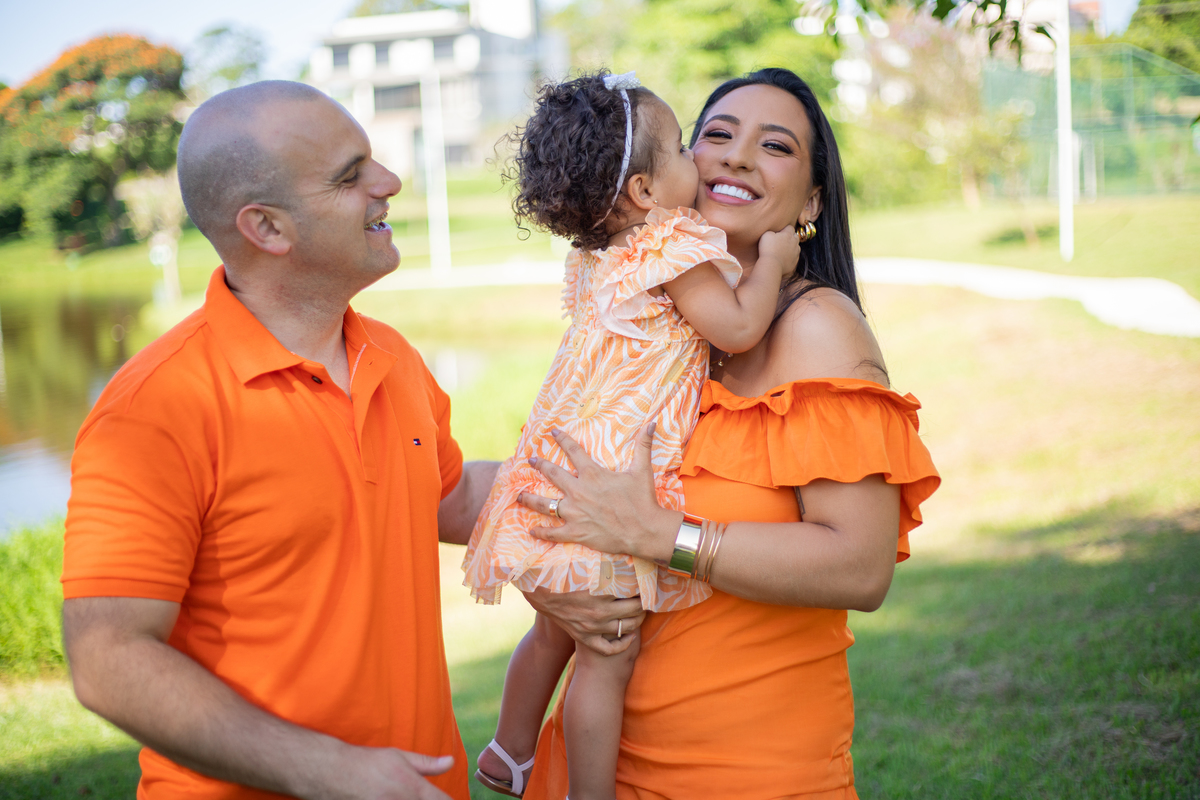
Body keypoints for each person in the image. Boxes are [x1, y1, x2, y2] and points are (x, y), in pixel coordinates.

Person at [59, 81, 501, 800]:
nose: (389, 183)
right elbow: (107, 656)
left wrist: (607, 472)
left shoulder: (391, 355)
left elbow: (453, 501)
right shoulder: (154, 407)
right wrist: (327, 770)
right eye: (351, 175)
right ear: (266, 228)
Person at [515, 68, 942, 799]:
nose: (737, 156)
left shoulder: (817, 330)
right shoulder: (658, 329)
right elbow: (574, 483)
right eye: (715, 135)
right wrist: (545, 576)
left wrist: (661, 536)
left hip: (745, 772)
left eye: (774, 146)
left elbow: (860, 569)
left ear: (809, 202)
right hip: (600, 759)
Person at [463, 71, 800, 800]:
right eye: (683, 146)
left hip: (558, 467)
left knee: (552, 632)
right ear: (646, 192)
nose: (698, 163)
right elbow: (739, 327)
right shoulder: (669, 248)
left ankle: (508, 747)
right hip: (616, 479)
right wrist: (772, 264)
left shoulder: (596, 256)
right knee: (605, 656)